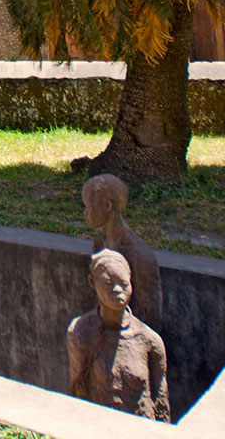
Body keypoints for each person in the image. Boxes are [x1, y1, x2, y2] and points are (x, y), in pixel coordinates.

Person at [66, 249, 170, 421]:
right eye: (108, 283)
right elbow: (77, 391)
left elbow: (161, 404)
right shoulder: (80, 332)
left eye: (123, 284)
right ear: (93, 283)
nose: (117, 290)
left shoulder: (149, 340)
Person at [81, 173, 163, 332]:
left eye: (89, 207)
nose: (86, 213)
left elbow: (148, 315)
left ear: (108, 206)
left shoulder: (138, 254)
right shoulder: (99, 245)